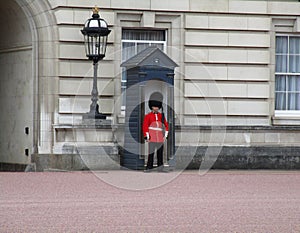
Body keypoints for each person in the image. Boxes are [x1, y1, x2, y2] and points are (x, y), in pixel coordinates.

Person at [142, 92, 169, 172]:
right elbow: (145, 127)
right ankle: (149, 167)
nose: (156, 108)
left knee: (160, 154)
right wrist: (147, 136)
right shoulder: (148, 116)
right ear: (151, 107)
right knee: (151, 154)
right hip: (152, 137)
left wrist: (165, 135)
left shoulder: (161, 116)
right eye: (154, 106)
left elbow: (166, 125)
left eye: (157, 106)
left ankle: (160, 168)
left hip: (160, 137)